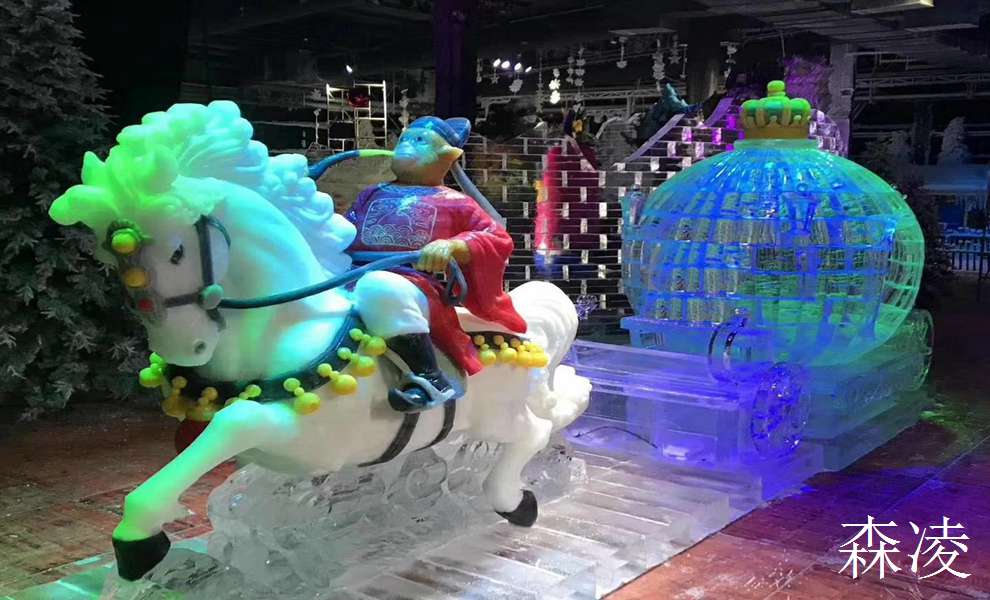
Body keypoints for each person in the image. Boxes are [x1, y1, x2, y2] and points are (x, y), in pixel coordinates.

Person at [345, 116, 527, 412]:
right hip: (351, 274)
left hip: (412, 283)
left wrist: (455, 245)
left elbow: (496, 238)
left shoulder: (456, 202)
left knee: (381, 288)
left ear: (448, 156)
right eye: (405, 139)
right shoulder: (371, 194)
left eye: (419, 141)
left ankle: (430, 378)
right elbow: (346, 229)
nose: (407, 145)